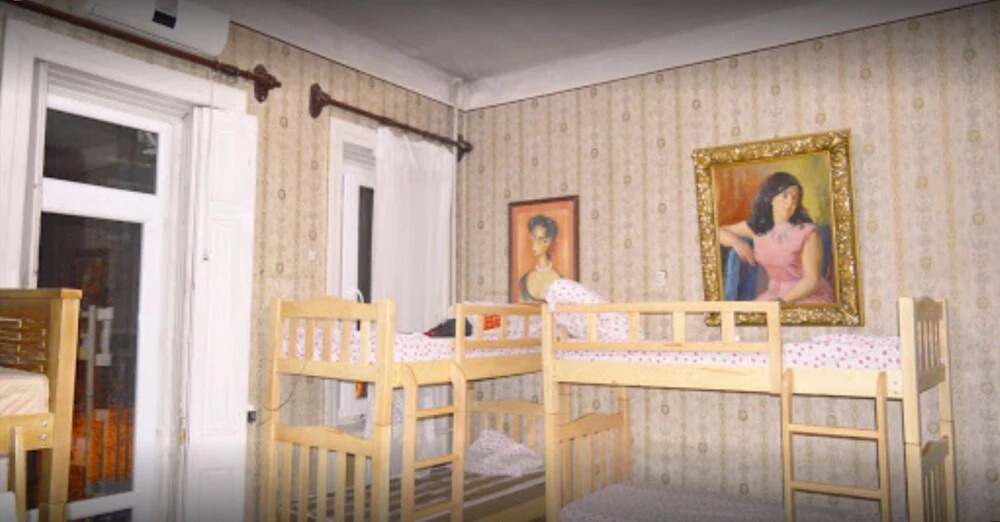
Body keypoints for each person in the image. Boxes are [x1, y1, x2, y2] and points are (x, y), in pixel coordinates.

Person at [718, 171, 835, 304]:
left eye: (795, 198)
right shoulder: (757, 228)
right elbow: (716, 232)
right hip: (774, 293)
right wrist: (736, 243)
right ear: (771, 197)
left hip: (806, 295)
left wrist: (780, 301)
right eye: (785, 196)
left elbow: (811, 281)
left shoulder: (807, 232)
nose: (790, 203)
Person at [519, 214, 562, 302]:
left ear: (551, 243)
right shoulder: (524, 280)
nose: (535, 244)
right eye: (533, 237)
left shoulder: (559, 281)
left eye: (542, 240)